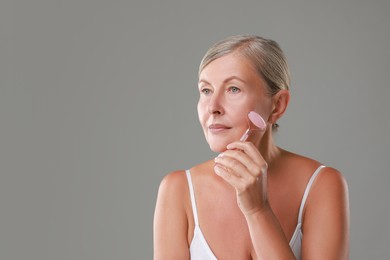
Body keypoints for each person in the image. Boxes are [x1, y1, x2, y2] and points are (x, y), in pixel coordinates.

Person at [153, 35, 349, 259]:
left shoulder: (321, 184)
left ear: (277, 105)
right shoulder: (177, 189)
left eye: (233, 89)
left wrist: (258, 210)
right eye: (206, 90)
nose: (213, 107)